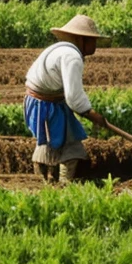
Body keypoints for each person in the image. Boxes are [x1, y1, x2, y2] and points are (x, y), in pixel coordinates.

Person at [24, 14, 108, 183]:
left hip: (42, 101)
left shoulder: (60, 49)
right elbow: (74, 96)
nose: (95, 45)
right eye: (92, 40)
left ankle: (51, 181)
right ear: (81, 39)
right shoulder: (72, 57)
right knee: (66, 142)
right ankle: (61, 184)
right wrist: (93, 115)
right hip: (46, 105)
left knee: (53, 140)